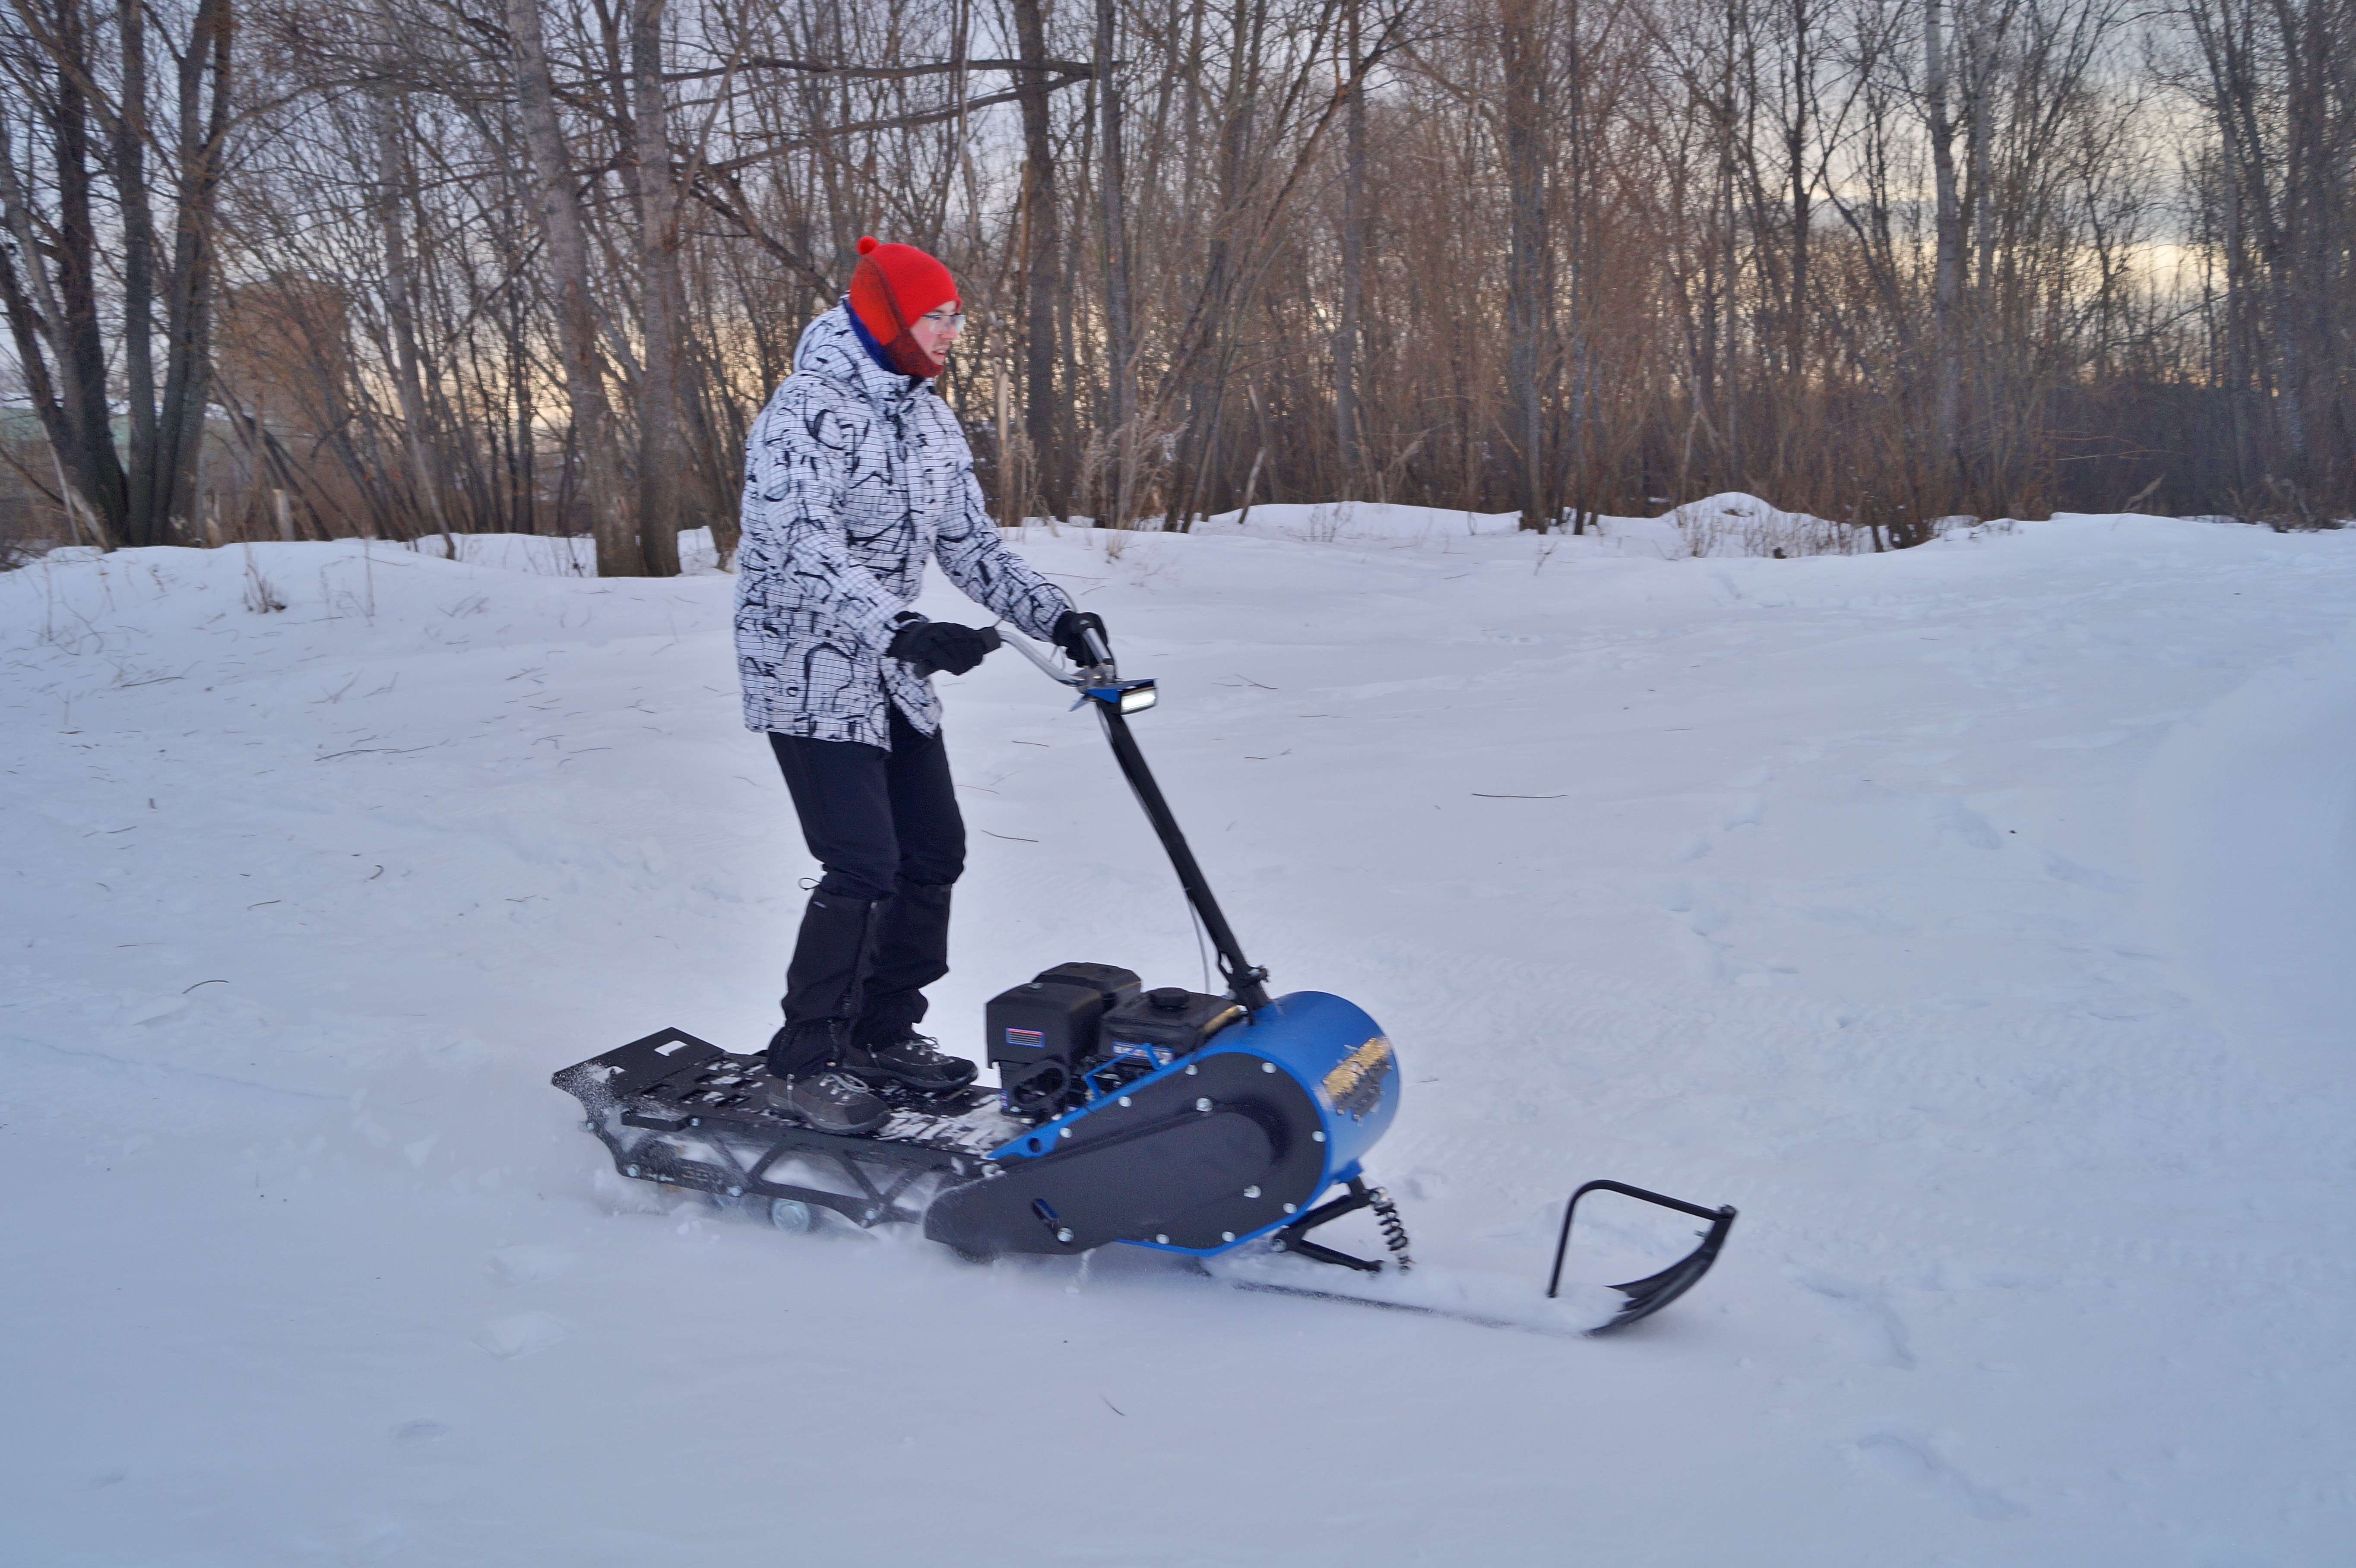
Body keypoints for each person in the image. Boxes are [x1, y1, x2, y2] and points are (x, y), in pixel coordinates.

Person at [734, 235, 1109, 1135]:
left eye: (953, 318)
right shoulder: (805, 410)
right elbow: (799, 546)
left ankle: (881, 1031)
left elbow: (970, 543)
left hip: (889, 665)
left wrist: (1054, 614)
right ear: (890, 315)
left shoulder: (927, 418)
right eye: (937, 315)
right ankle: (805, 1059)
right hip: (807, 664)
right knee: (862, 863)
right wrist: (899, 625)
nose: (950, 332)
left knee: (932, 850)